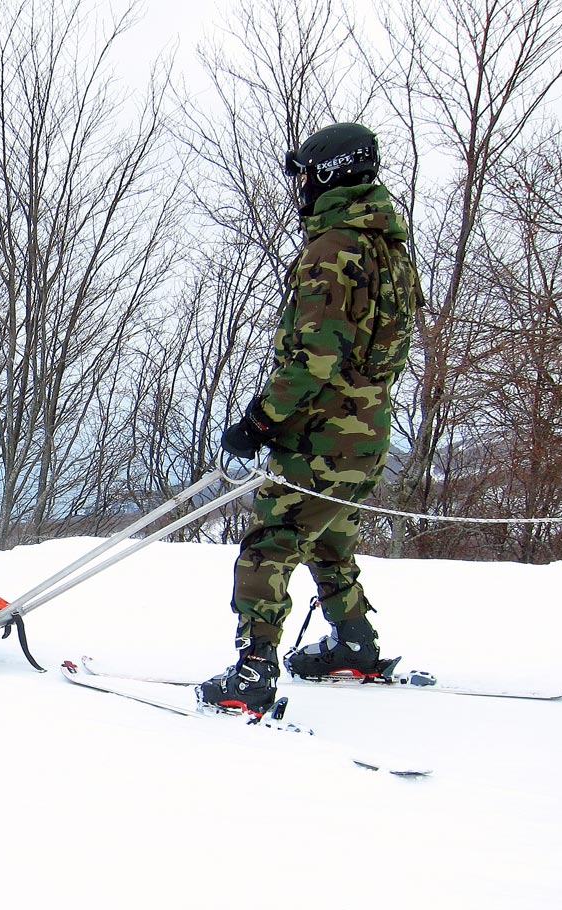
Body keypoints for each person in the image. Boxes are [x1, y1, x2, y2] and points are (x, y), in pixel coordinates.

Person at [198, 122, 421, 716]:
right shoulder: (390, 249)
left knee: (268, 545)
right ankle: (355, 644)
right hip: (368, 434)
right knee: (330, 541)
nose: (297, 185)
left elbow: (317, 353)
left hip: (322, 437)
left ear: (328, 173)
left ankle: (251, 675)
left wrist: (262, 421)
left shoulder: (332, 249)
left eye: (303, 173)